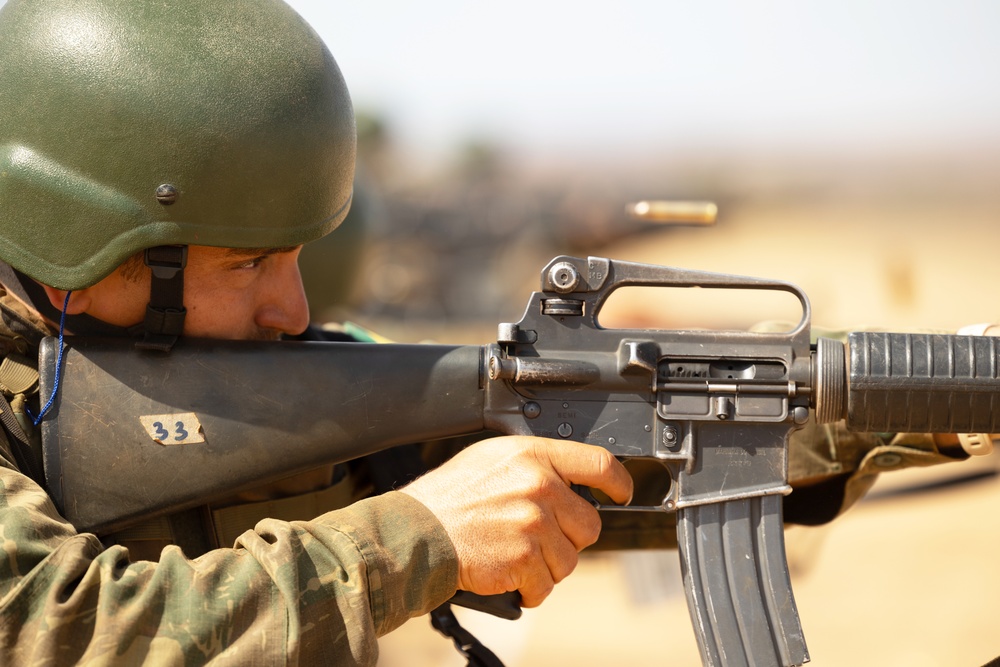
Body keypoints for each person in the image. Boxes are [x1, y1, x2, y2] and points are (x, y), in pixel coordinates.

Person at [0, 1, 632, 664]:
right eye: (248, 262)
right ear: (75, 253)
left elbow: (504, 460)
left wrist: (638, 393)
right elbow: (59, 626)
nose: (296, 312)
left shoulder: (208, 382)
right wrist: (417, 538)